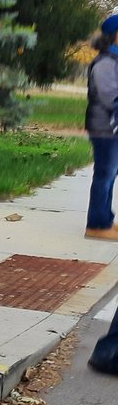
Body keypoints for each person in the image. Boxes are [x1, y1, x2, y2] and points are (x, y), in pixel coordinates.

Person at [84, 15, 118, 240]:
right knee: (104, 174)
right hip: (104, 127)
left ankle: (105, 219)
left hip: (111, 127)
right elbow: (110, 97)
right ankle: (96, 225)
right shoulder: (105, 61)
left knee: (111, 173)